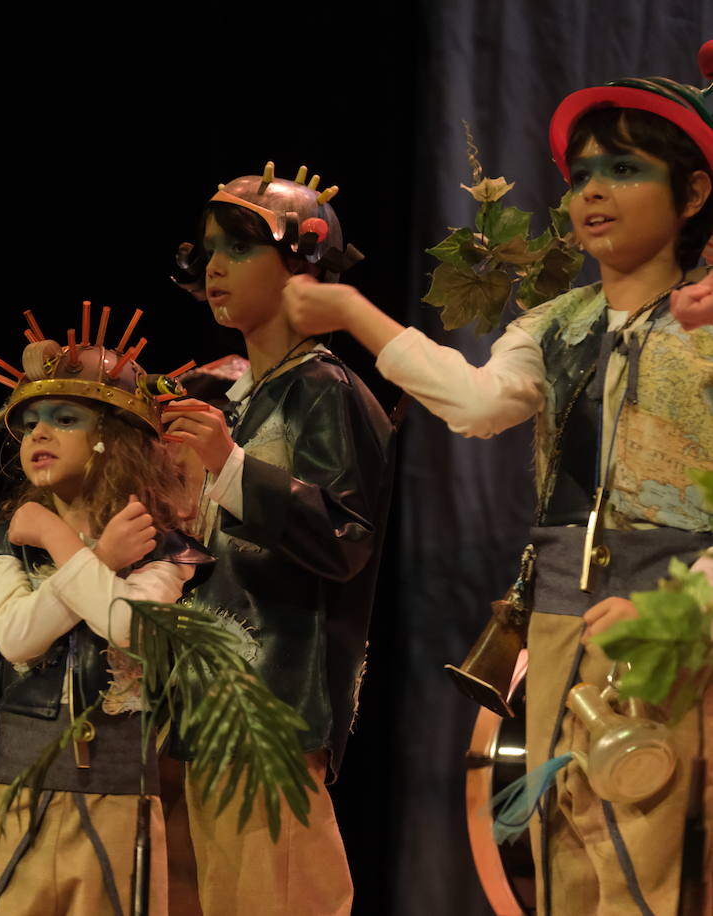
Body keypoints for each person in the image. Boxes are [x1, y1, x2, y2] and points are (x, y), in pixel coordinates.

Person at [282, 62, 713, 916]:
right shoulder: (556, 325)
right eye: (582, 173)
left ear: (693, 192)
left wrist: (686, 606)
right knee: (565, 856)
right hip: (559, 620)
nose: (593, 191)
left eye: (625, 169)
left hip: (676, 624)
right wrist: (356, 315)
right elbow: (477, 404)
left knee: (649, 862)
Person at [162, 164, 393, 915]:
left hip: (277, 709)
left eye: (239, 246)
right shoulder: (242, 397)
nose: (216, 265)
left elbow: (345, 536)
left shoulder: (322, 388)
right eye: (207, 250)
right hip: (213, 708)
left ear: (304, 260)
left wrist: (229, 468)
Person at [0, 313, 211, 915]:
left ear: (113, 437)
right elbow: (16, 637)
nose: (38, 433)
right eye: (28, 423)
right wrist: (83, 551)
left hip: (118, 801)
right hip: (16, 798)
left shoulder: (161, 545)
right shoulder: (13, 538)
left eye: (65, 418)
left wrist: (71, 546)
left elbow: (129, 629)